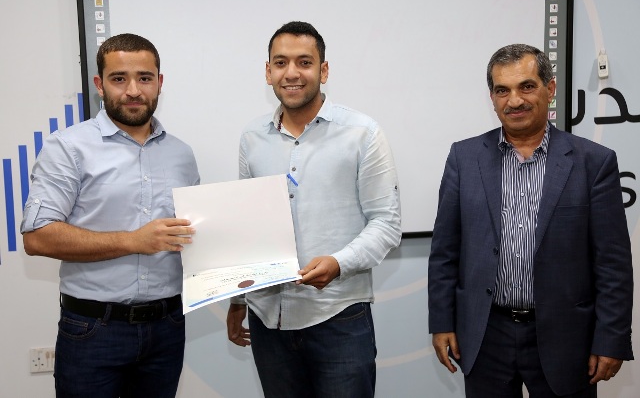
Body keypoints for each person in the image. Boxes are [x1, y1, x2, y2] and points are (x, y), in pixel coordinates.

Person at [428, 43, 633, 397]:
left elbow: (612, 264)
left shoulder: (593, 162)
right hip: (485, 334)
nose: (515, 101)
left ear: (549, 88)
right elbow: (445, 251)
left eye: (526, 86)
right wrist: (442, 322)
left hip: (565, 336)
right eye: (502, 90)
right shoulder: (464, 157)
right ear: (492, 97)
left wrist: (610, 338)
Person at [225, 21, 401, 398]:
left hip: (339, 317)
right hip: (267, 318)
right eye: (281, 62)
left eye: (304, 62)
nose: (292, 73)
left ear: (323, 70)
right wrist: (238, 299)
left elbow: (386, 223)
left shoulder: (363, 133)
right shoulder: (252, 138)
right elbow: (247, 224)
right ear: (268, 71)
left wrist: (338, 263)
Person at [21, 33, 200, 398]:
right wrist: (133, 241)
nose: (133, 90)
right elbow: (37, 236)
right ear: (100, 85)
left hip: (167, 327)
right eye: (119, 78)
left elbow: (194, 236)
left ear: (159, 83)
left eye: (144, 78)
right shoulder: (68, 147)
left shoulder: (182, 154)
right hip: (93, 329)